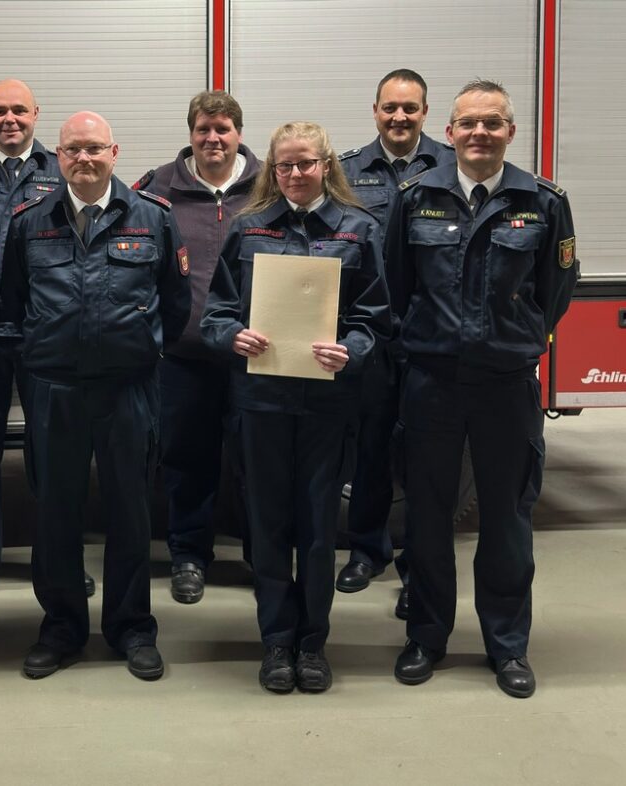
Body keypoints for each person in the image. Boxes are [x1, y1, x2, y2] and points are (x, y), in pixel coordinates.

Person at [386, 79, 577, 698]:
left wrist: (517, 338)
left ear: (510, 133)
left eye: (492, 124)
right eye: (467, 123)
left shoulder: (543, 201)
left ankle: (507, 646)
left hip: (505, 385)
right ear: (448, 131)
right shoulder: (417, 198)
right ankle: (427, 636)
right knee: (428, 518)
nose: (479, 134)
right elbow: (396, 284)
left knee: (507, 519)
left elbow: (556, 291)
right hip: (432, 382)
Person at [201, 121, 390, 694]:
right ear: (271, 171)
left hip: (327, 403)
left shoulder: (359, 231)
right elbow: (216, 312)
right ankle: (275, 641)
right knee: (267, 526)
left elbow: (375, 318)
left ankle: (312, 643)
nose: (294, 173)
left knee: (315, 529)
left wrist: (351, 350)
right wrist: (231, 336)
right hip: (261, 402)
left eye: (305, 163)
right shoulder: (249, 228)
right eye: (284, 165)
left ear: (326, 166)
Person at [1, 111, 190, 681]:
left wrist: (141, 349)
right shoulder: (29, 223)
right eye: (72, 150)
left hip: (127, 388)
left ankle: (131, 627)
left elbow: (175, 305)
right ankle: (61, 626)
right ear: (57, 157)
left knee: (131, 511)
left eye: (94, 149)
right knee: (55, 512)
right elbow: (12, 302)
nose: (83, 159)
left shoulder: (154, 220)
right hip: (54, 388)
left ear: (115, 152)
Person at [0, 79, 95, 604]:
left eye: (19, 111)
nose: (10, 119)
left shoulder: (60, 168)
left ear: (36, 114)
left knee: (52, 449)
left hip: (43, 330)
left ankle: (58, 557)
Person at [336, 69, 456, 618]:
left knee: (427, 458)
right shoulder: (347, 170)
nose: (399, 117)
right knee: (370, 447)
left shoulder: (450, 168)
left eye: (410, 108)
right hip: (372, 337)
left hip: (432, 338)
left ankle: (419, 567)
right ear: (375, 110)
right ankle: (366, 550)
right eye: (390, 108)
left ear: (426, 112)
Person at [133, 90, 260, 605]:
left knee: (258, 459)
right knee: (186, 459)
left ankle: (264, 553)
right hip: (183, 357)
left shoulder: (271, 184)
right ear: (190, 133)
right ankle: (188, 555)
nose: (213, 138)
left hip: (256, 353)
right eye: (204, 129)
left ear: (239, 134)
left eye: (223, 129)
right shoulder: (156, 187)